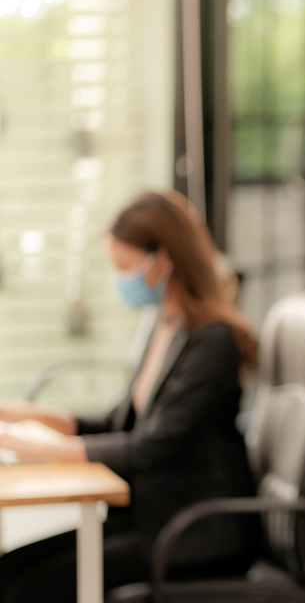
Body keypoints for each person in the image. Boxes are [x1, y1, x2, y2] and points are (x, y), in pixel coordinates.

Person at [0, 192, 260, 601]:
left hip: (193, 534)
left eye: (124, 266)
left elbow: (150, 447)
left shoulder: (213, 341)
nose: (119, 279)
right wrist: (21, 415)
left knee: (21, 591)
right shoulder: (164, 326)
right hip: (153, 515)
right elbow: (120, 422)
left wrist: (45, 447)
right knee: (6, 572)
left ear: (164, 259)